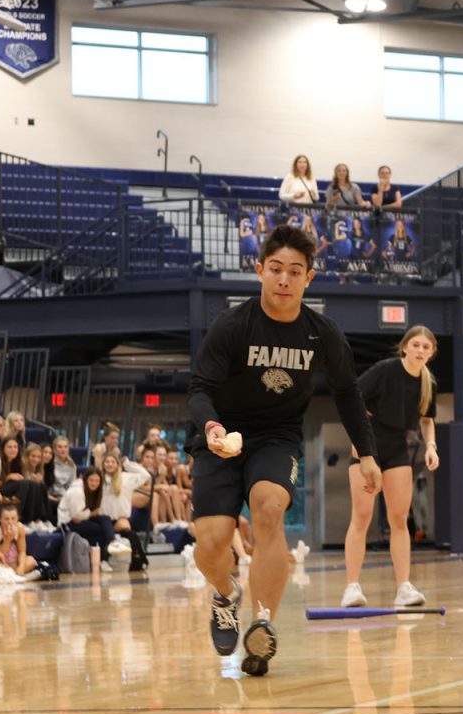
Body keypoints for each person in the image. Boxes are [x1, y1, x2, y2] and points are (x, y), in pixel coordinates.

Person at [187, 224, 382, 677]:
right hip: (219, 436)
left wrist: (367, 453)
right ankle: (225, 593)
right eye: (276, 269)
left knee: (269, 507)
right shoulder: (233, 325)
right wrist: (212, 427)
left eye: (295, 272)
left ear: (308, 278)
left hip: (276, 437)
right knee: (211, 543)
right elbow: (199, 388)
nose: (284, 279)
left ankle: (262, 624)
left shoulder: (322, 333)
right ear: (259, 270)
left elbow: (348, 392)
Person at [341, 326, 440, 608]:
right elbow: (352, 397)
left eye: (426, 347)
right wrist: (357, 441)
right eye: (416, 345)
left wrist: (431, 446)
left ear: (432, 353)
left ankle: (404, 587)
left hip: (397, 448)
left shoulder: (427, 383)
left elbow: (427, 420)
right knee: (361, 516)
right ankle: (352, 587)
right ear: (405, 347)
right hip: (368, 447)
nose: (420, 350)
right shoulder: (385, 370)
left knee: (399, 520)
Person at [58, 468, 115, 571]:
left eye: (97, 481)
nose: (94, 483)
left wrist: (91, 514)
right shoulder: (77, 491)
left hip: (82, 519)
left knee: (105, 519)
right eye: (91, 480)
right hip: (67, 523)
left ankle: (112, 542)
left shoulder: (96, 491)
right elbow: (76, 515)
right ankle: (103, 559)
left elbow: (89, 513)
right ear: (85, 479)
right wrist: (92, 513)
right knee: (98, 529)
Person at [0, 499, 39, 580]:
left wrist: (21, 567)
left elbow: (22, 551)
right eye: (6, 519)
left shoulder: (20, 528)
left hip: (15, 562)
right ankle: (11, 574)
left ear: (18, 518)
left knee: (31, 560)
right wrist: (7, 541)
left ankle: (13, 574)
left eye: (13, 518)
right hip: (2, 563)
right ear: (0, 519)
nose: (10, 522)